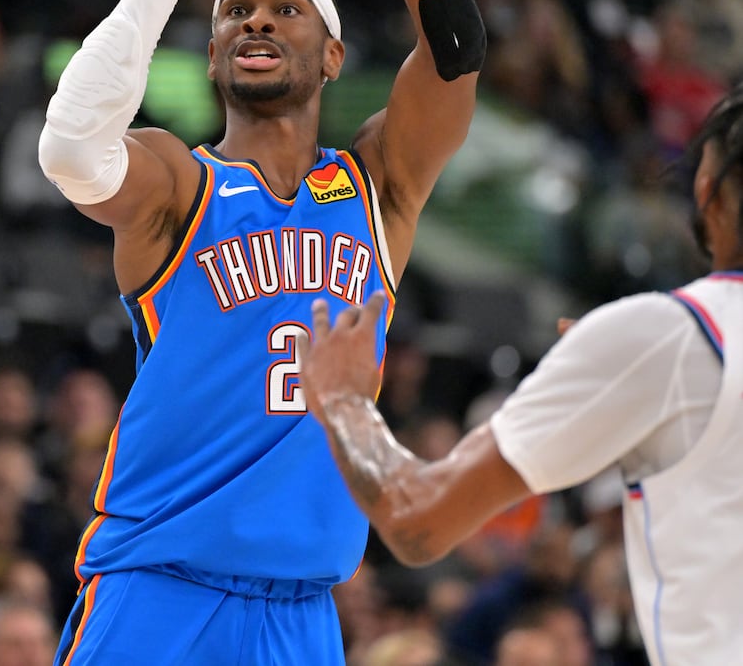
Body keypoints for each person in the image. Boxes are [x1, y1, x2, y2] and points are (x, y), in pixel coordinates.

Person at [37, 0, 484, 666]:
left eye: (287, 9)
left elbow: (455, 45)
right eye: (235, 9)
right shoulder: (179, 181)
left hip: (304, 609)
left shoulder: (377, 188)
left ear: (333, 56)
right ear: (211, 53)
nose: (257, 18)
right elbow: (74, 150)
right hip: (158, 587)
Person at [298, 81, 743, 666]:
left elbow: (418, 521)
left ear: (707, 193)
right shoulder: (658, 347)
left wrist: (344, 401)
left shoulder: (673, 336)